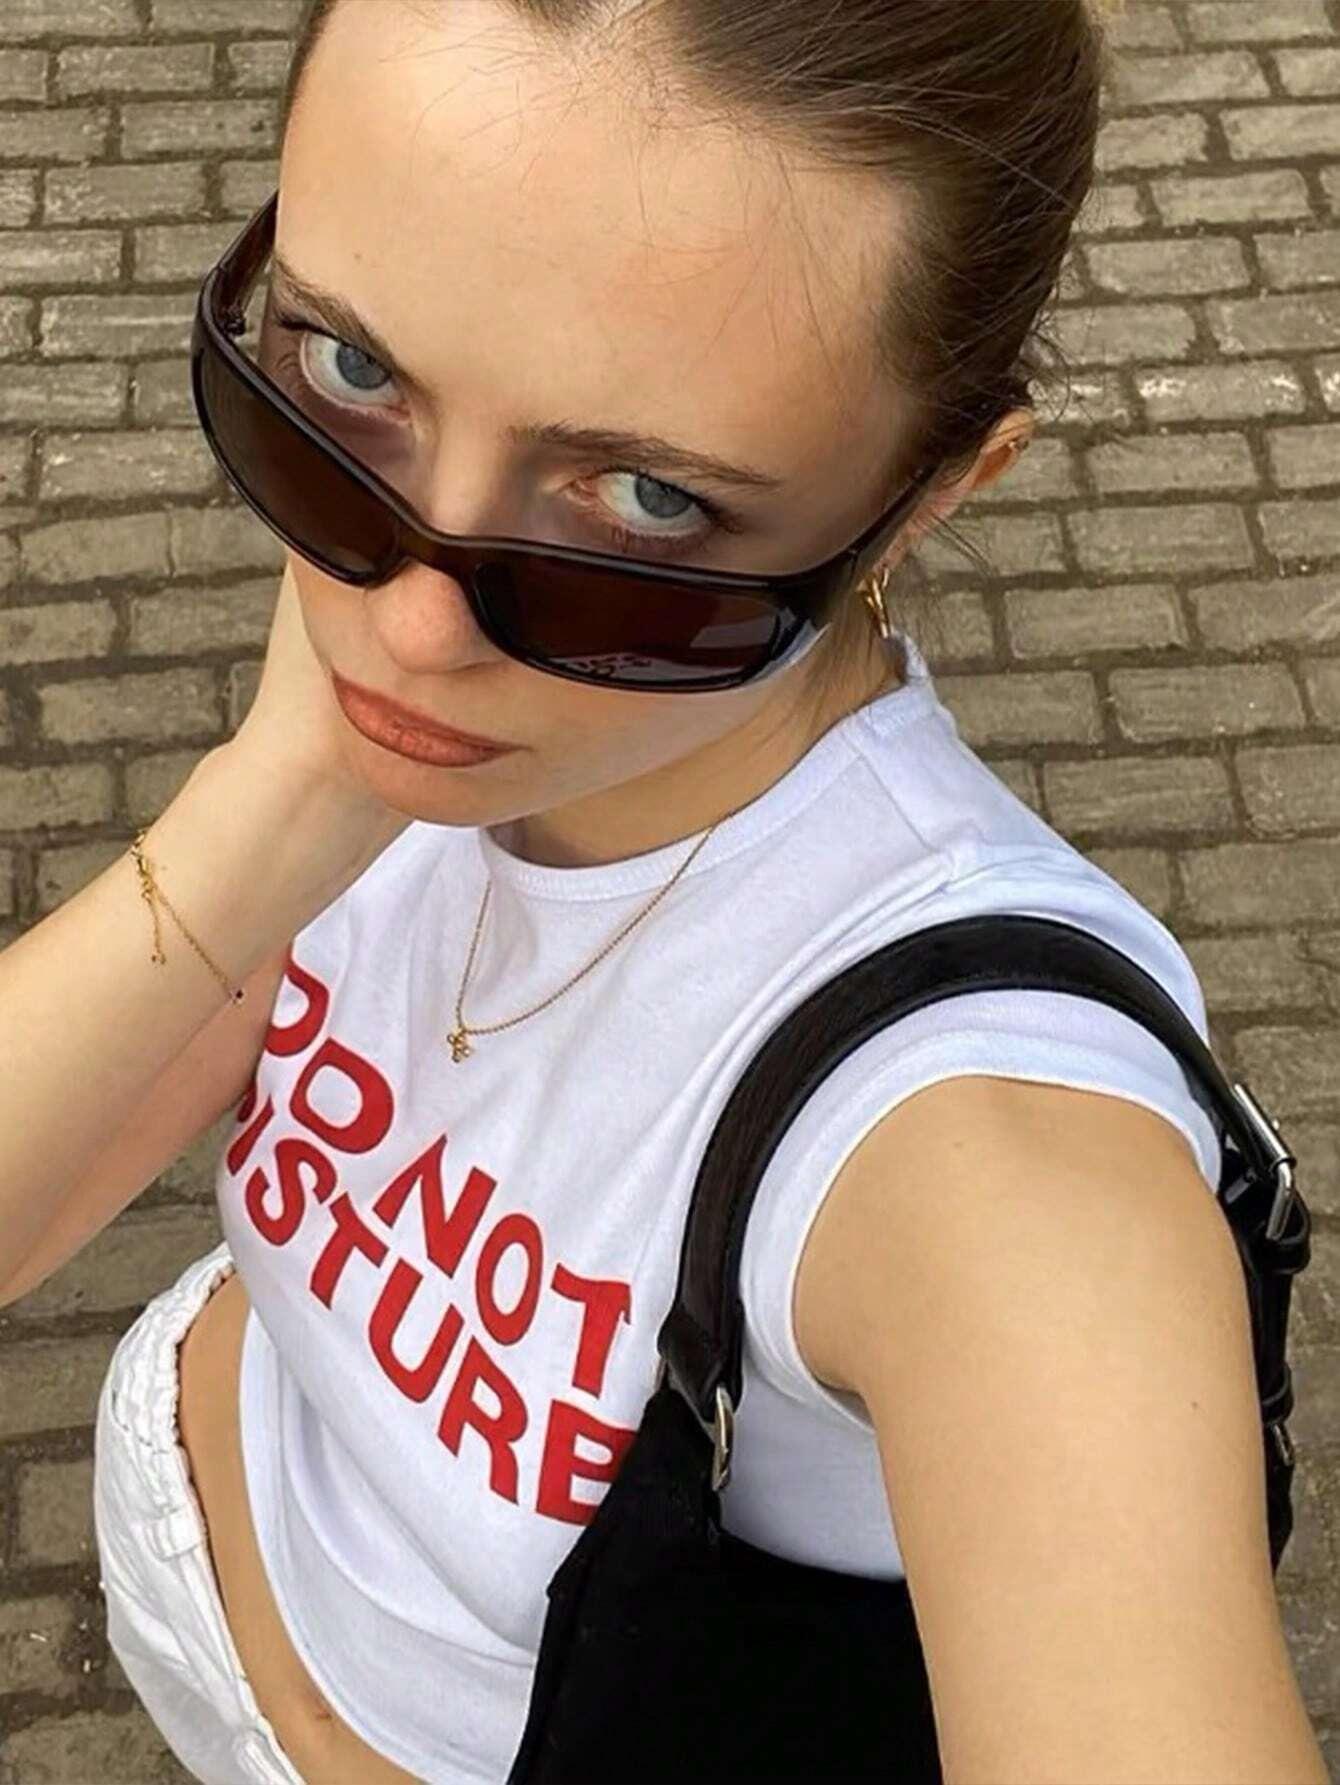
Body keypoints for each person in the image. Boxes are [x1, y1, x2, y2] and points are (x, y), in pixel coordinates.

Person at [0, 0, 1328, 1781]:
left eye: (644, 501)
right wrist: (290, 789)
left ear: (928, 492)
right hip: (202, 1472)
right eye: (348, 369)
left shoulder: (983, 1152)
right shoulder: (439, 620)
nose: (407, 626)